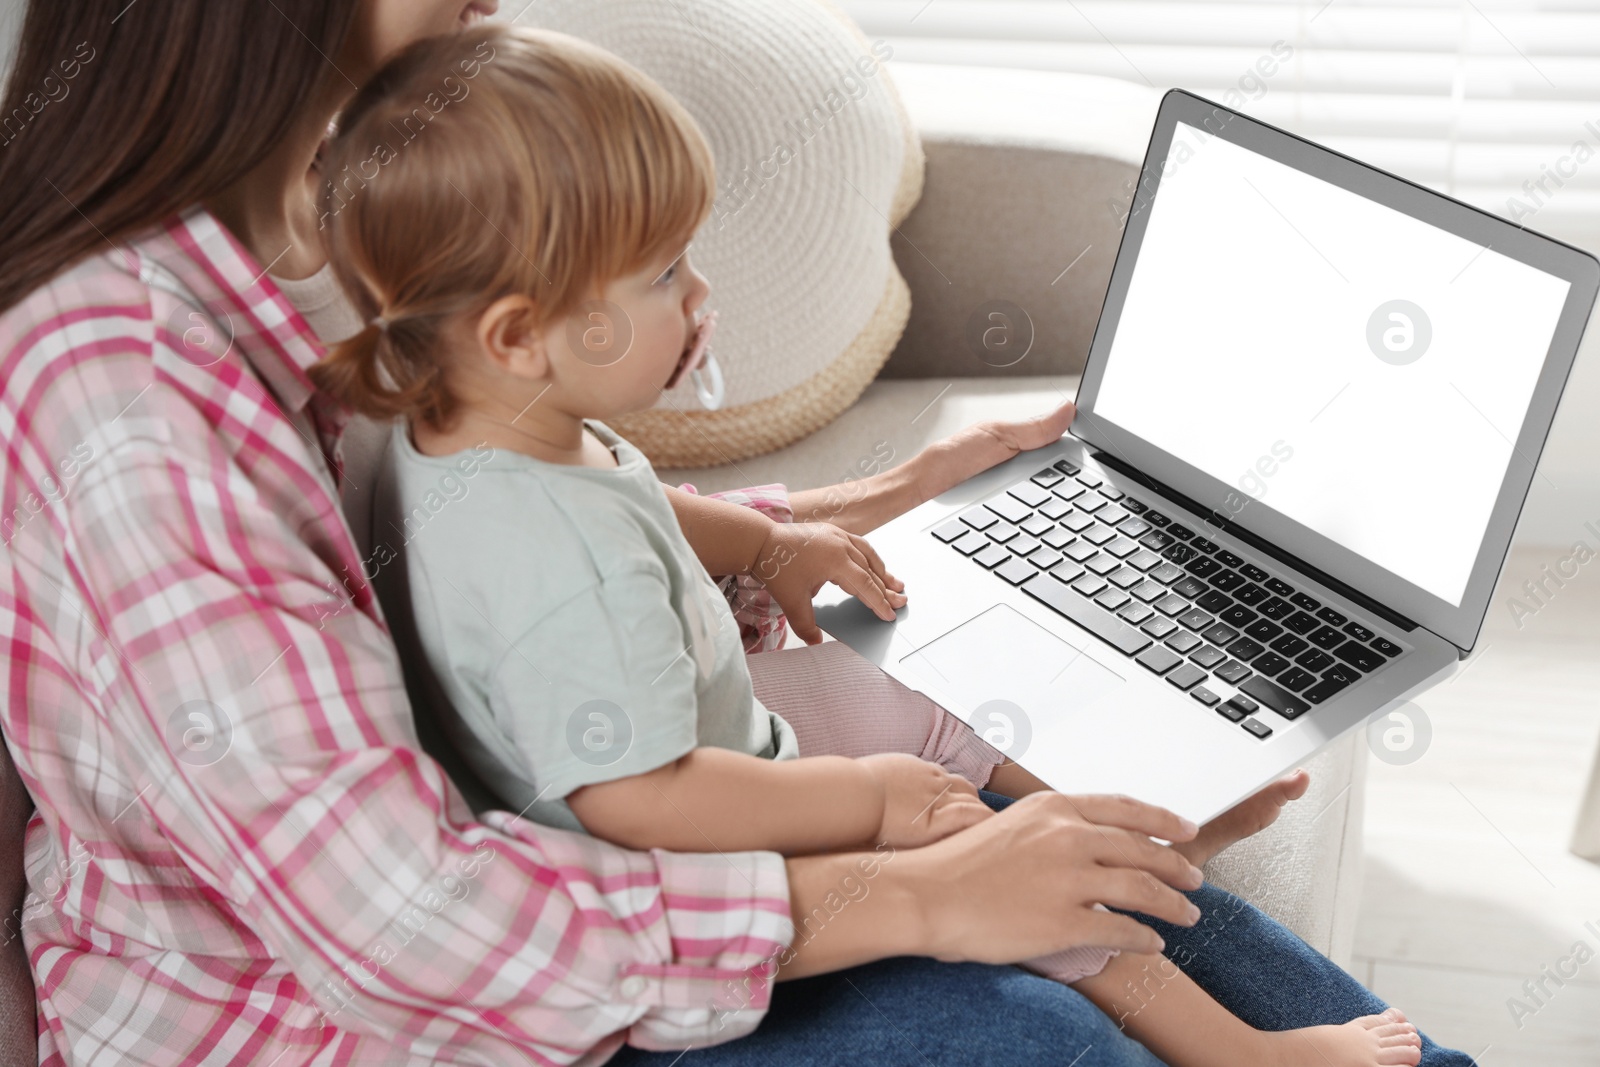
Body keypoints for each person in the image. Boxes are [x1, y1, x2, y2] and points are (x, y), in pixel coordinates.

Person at [0, 2, 1475, 1064]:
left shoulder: (364, 224)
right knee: (1035, 1024)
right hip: (357, 1010)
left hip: (556, 838)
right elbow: (405, 928)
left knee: (1156, 905)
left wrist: (848, 510)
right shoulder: (128, 389)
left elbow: (535, 548)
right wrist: (909, 885)